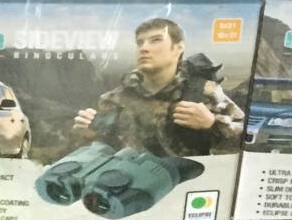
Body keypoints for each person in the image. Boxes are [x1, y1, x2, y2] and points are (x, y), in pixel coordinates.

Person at [72, 17, 244, 157]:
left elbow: (243, 143)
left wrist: (212, 124)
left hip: (185, 183)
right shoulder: (115, 98)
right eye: (140, 42)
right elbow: (102, 152)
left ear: (178, 48)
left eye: (155, 40)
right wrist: (89, 135)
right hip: (125, 183)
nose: (144, 48)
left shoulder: (205, 92)